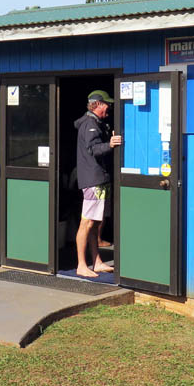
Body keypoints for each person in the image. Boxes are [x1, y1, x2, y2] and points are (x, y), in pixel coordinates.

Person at [74, 90, 122, 278]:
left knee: (94, 223)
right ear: (98, 105)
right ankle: (81, 265)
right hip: (93, 180)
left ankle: (97, 262)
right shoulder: (90, 124)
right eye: (107, 104)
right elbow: (93, 149)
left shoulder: (97, 123)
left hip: (99, 178)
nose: (109, 107)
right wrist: (110, 144)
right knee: (86, 222)